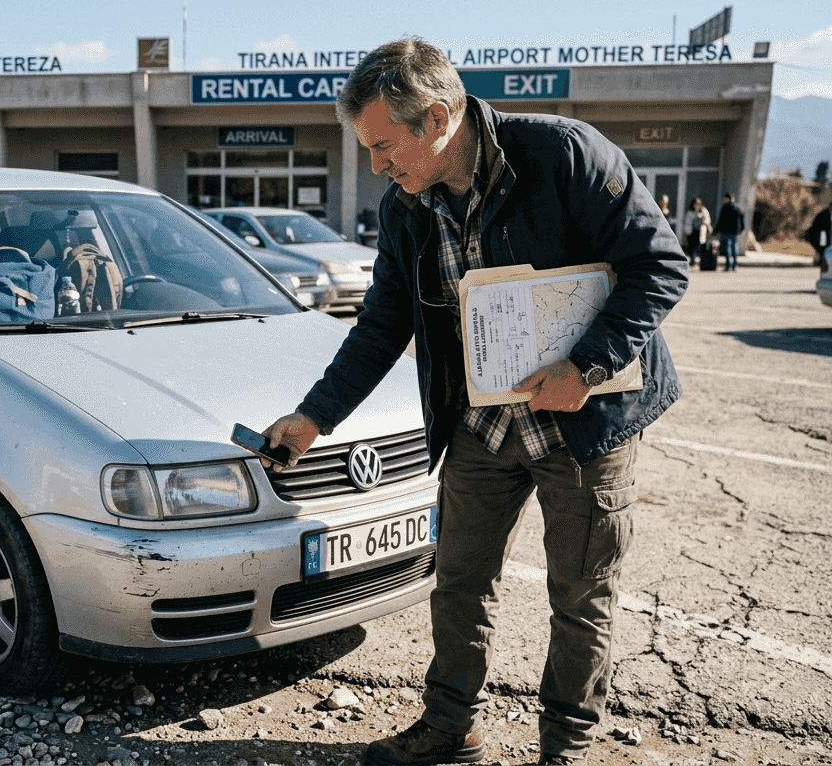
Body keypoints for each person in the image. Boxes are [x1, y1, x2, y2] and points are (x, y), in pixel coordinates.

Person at [258, 38, 687, 766]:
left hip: (584, 427)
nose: (376, 166)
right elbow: (382, 326)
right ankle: (452, 728)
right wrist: (313, 417)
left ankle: (566, 750)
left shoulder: (565, 155)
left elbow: (660, 266)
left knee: (580, 597)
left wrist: (584, 367)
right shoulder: (406, 209)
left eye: (383, 145)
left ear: (435, 118)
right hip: (483, 427)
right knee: (459, 582)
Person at [714, 193, 745, 271]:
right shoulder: (738, 207)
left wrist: (715, 230)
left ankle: (728, 265)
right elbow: (742, 219)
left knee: (727, 248)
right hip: (735, 231)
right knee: (734, 247)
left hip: (726, 231)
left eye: (724, 198)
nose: (723, 200)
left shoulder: (725, 207)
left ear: (728, 198)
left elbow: (720, 220)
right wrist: (742, 229)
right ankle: (734, 265)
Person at [682, 196, 711, 269]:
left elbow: (707, 221)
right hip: (692, 232)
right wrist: (686, 232)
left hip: (701, 232)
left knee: (701, 247)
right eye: (695, 204)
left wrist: (702, 219)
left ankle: (702, 262)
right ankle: (692, 261)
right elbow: (687, 223)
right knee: (692, 247)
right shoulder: (690, 212)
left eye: (699, 204)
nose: (697, 206)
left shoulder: (704, 211)